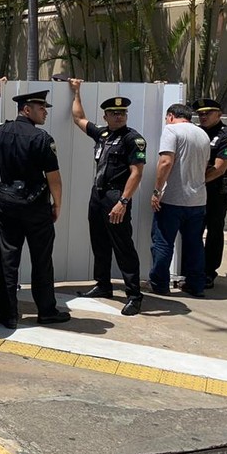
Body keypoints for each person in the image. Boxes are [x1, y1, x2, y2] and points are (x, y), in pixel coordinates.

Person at [0, 79, 69, 329]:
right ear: (27, 109)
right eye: (41, 108)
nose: (45, 112)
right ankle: (47, 312)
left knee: (9, 258)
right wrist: (57, 206)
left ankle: (8, 315)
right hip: (35, 206)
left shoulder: (1, 131)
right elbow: (54, 179)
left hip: (7, 203)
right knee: (42, 259)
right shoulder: (42, 139)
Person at [69, 81, 146, 315]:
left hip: (116, 196)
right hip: (98, 194)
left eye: (122, 113)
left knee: (123, 246)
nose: (119, 116)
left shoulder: (133, 139)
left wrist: (123, 202)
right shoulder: (102, 134)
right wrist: (76, 92)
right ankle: (103, 285)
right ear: (106, 116)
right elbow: (78, 118)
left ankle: (134, 295)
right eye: (114, 113)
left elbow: (137, 172)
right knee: (99, 242)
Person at [149, 103, 210, 297]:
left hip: (173, 199)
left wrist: (157, 190)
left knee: (163, 242)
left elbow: (165, 162)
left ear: (170, 116)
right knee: (195, 244)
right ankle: (196, 285)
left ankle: (159, 285)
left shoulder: (171, 130)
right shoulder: (203, 134)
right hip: (198, 199)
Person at [192, 98, 227, 289]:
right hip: (195, 189)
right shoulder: (196, 132)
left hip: (215, 192)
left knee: (213, 231)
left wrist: (194, 181)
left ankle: (208, 272)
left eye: (208, 113)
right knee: (193, 230)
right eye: (200, 113)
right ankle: (192, 268)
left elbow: (219, 169)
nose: (203, 116)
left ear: (219, 114)